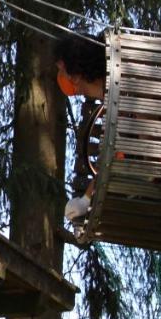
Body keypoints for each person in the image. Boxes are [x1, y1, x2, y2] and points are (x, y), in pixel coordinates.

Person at [53, 32, 107, 229]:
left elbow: (116, 161)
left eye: (63, 70)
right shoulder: (116, 98)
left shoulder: (123, 101)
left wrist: (86, 199)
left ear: (76, 76)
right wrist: (86, 198)